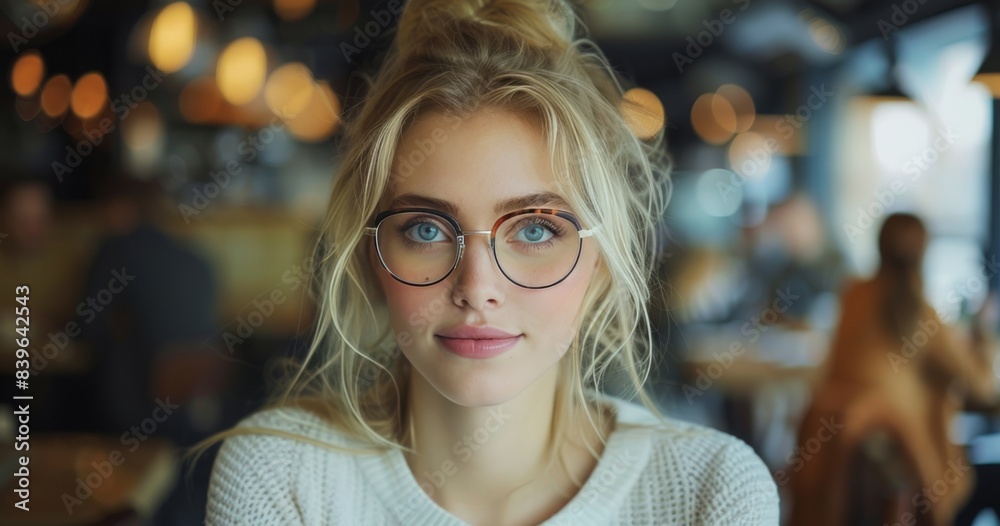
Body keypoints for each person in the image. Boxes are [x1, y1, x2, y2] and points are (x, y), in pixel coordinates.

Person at [198, 1, 779, 524]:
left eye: (534, 229)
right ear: (371, 257)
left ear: (602, 261)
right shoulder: (281, 478)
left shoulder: (711, 493)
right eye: (426, 229)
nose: (477, 288)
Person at [788, 213, 997, 525]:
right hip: (896, 458)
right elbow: (981, 386)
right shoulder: (920, 313)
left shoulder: (854, 293)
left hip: (839, 444)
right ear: (925, 251)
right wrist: (984, 335)